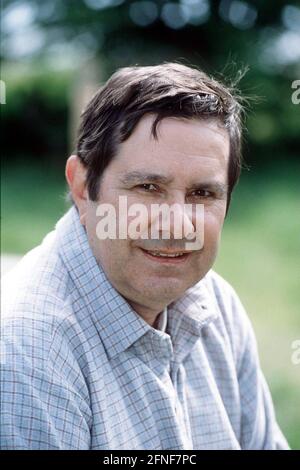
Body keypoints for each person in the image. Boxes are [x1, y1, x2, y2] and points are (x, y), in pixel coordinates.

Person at [1, 62, 289, 450]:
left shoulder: (217, 306)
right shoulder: (27, 354)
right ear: (85, 188)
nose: (176, 225)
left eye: (202, 194)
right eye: (148, 186)